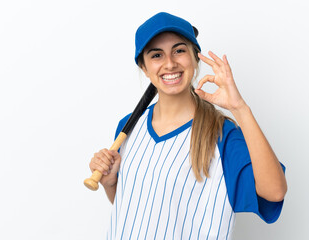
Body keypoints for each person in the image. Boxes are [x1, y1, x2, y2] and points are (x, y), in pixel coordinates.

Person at [89, 12, 287, 239]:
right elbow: (138, 208)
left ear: (195, 58)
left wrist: (239, 108)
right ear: (144, 67)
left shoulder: (221, 136)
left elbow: (275, 191)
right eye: (156, 55)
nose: (170, 63)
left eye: (179, 50)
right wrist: (110, 183)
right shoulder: (128, 127)